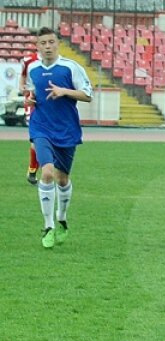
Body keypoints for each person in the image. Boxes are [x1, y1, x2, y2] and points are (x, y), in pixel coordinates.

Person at [27, 26, 91, 249]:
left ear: (57, 44)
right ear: (37, 46)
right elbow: (31, 92)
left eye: (51, 42)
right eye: (43, 43)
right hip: (40, 127)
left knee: (62, 179)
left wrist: (65, 91)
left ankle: (62, 218)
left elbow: (88, 94)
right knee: (46, 173)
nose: (47, 46)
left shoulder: (70, 68)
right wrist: (30, 99)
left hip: (66, 130)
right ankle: (48, 226)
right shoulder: (33, 68)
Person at [19, 43, 39, 185]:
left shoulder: (59, 62)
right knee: (35, 140)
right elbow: (23, 77)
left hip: (50, 106)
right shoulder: (29, 61)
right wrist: (23, 89)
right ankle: (32, 169)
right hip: (33, 105)